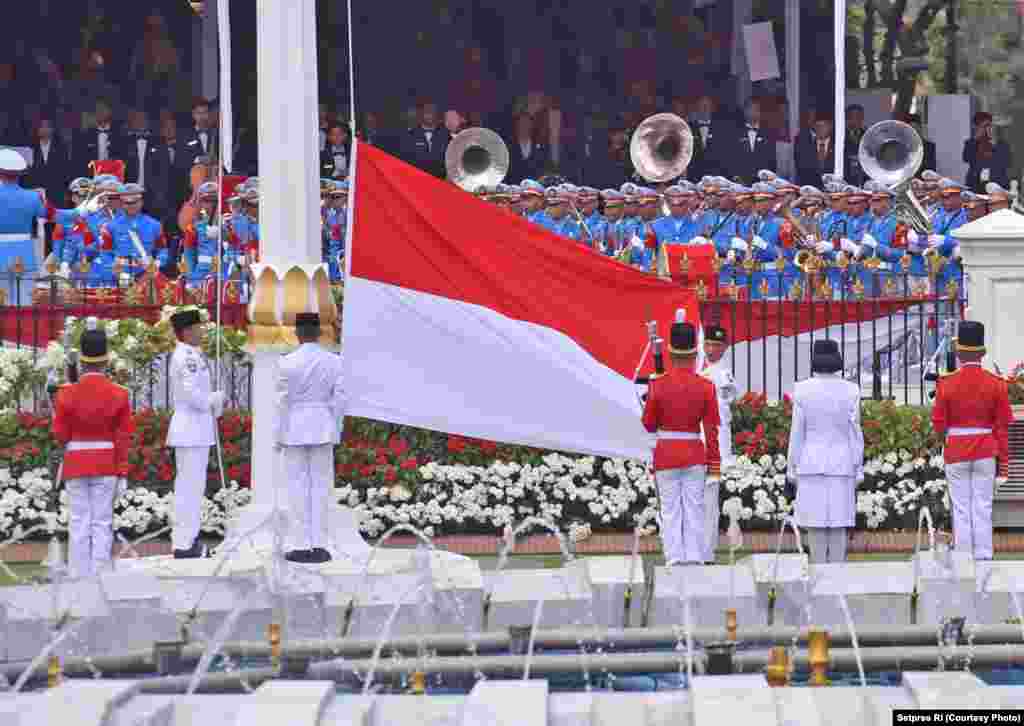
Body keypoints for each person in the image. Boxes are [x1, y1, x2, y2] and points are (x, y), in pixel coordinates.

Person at [51, 320, 134, 578]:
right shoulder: (119, 394)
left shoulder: (66, 394)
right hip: (106, 462)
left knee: (78, 521)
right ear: (107, 359)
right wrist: (122, 471)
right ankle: (99, 573)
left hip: (76, 462)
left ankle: (78, 572)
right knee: (102, 521)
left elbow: (60, 435)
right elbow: (123, 437)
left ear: (82, 360)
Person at [641, 313, 721, 566]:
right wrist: (715, 464)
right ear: (695, 353)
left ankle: (674, 558)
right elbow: (711, 429)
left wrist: (649, 398)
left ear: (670, 352)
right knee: (694, 508)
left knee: (671, 510)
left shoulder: (659, 384)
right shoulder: (706, 386)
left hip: (666, 453)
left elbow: (648, 424)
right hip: (694, 452)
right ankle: (695, 556)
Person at [931, 321, 1011, 560]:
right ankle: (984, 555)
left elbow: (938, 424)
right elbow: (1003, 427)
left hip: (956, 451)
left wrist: (941, 441)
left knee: (961, 508)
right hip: (986, 450)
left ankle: (964, 555)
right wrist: (1004, 466)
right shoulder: (996, 383)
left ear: (959, 353)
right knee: (983, 506)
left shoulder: (946, 383)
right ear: (981, 353)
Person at [276, 312, 346, 563]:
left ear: (297, 333)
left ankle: (300, 544)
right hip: (322, 424)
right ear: (318, 333)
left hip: (295, 425)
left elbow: (281, 402)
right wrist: (335, 428)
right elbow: (339, 400)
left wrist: (279, 434)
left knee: (296, 487)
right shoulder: (334, 361)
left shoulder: (286, 362)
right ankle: (319, 544)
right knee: (320, 486)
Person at [786, 339, 864, 564]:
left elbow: (797, 433)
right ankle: (837, 578)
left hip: (810, 463)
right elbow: (854, 433)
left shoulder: (802, 389)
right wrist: (857, 465)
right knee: (839, 526)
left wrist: (792, 466)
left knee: (815, 526)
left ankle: (818, 577)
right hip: (842, 463)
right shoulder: (851, 390)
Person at [166, 307, 224, 559]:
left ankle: (188, 538)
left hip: (196, 429)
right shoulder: (186, 357)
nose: (202, 330)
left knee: (192, 487)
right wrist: (212, 400)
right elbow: (192, 395)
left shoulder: (192, 354)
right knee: (189, 488)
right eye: (198, 327)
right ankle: (184, 543)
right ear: (187, 331)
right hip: (190, 429)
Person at [700, 324, 736, 565]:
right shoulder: (696, 369)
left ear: (725, 348)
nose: (713, 349)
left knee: (709, 502)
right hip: (692, 442)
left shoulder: (723, 374)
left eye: (718, 345)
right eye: (709, 344)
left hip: (713, 444)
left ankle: (706, 553)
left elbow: (727, 404)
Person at [0, 148, 48, 304]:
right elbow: (45, 214)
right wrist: (41, 197)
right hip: (24, 252)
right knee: (24, 302)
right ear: (20, 174)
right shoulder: (33, 196)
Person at [963, 112, 1012, 194]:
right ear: (976, 127)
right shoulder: (971, 143)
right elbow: (966, 158)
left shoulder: (1002, 144)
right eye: (982, 126)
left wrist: (994, 143)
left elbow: (1008, 162)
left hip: (997, 185)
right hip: (976, 185)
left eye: (988, 125)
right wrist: (975, 139)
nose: (986, 129)